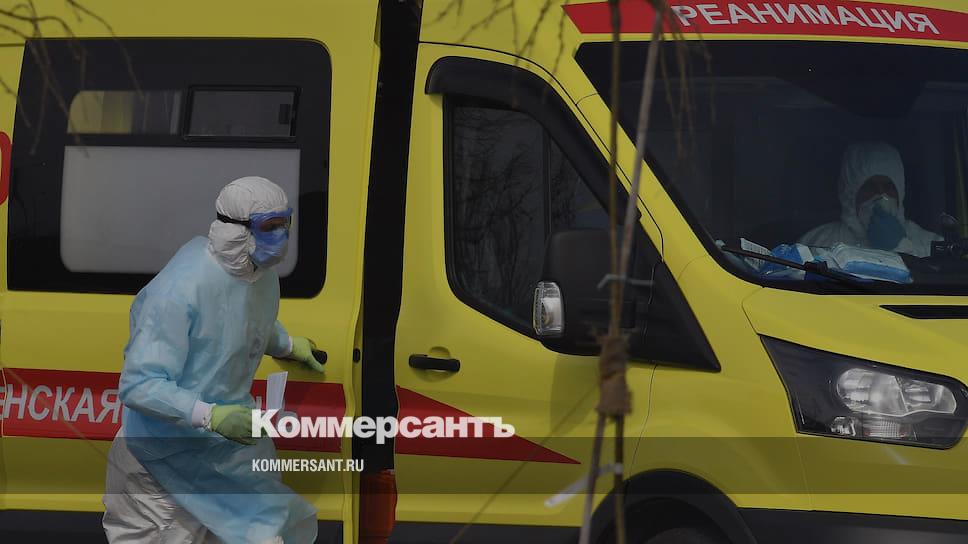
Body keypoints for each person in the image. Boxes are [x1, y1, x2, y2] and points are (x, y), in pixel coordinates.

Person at [102, 176, 326, 544]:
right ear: (235, 230)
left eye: (285, 223)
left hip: (224, 452)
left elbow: (242, 317)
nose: (281, 236)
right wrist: (211, 416)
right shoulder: (178, 291)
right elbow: (140, 385)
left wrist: (286, 344)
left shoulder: (259, 275)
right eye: (270, 227)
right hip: (162, 458)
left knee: (269, 532)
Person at [799, 141, 941, 257]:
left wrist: (901, 247)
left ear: (900, 192)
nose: (881, 194)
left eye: (888, 186)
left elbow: (931, 280)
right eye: (870, 187)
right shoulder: (817, 243)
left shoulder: (930, 245)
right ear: (849, 194)